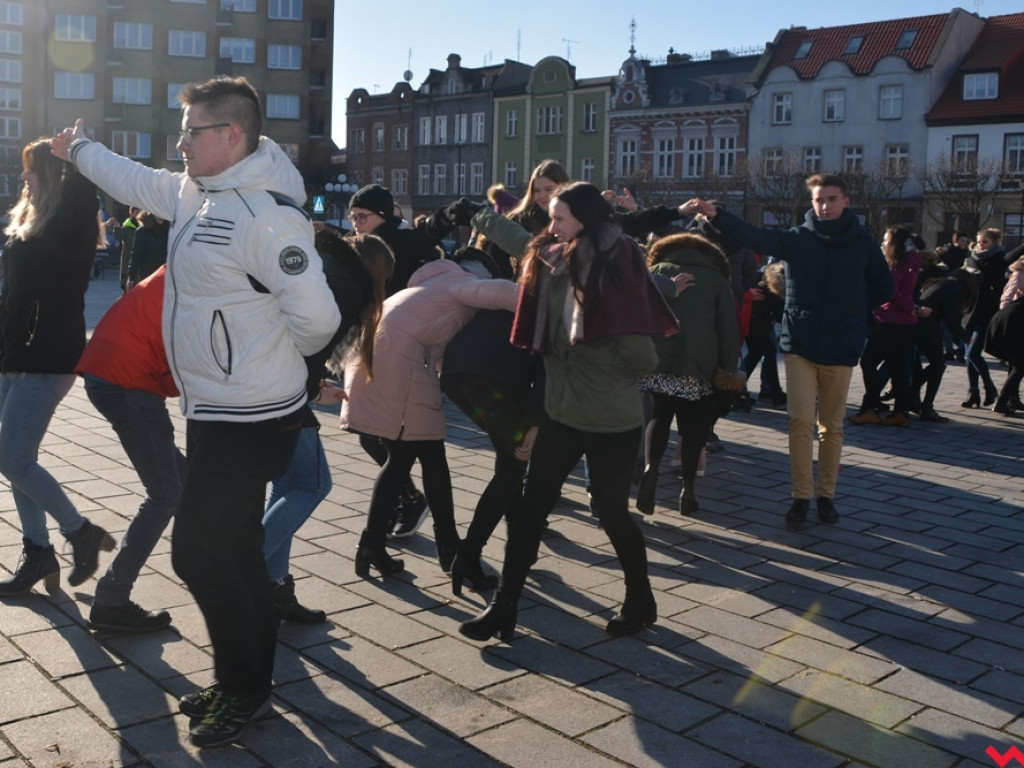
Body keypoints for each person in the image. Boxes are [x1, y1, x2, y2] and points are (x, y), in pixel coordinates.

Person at [52, 76, 340, 749]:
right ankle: (249, 681)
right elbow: (132, 180)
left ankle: (243, 686)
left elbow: (319, 319)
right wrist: (81, 150)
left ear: (231, 135)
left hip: (256, 417)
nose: (178, 143)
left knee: (198, 554)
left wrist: (266, 362)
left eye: (191, 131)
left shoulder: (267, 217)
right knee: (237, 553)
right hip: (214, 413)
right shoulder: (194, 193)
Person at [459, 182, 678, 643]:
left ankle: (640, 599)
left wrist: (593, 359)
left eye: (559, 219)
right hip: (559, 411)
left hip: (610, 419)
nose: (550, 227)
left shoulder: (618, 269)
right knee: (532, 507)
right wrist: (479, 215)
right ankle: (504, 607)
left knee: (611, 512)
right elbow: (521, 241)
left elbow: (644, 358)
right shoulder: (555, 260)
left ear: (585, 219)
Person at [691, 174, 892, 528]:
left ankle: (825, 496)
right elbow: (757, 235)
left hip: (841, 344)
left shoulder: (863, 243)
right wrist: (718, 215)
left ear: (846, 201)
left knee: (830, 426)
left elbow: (883, 287)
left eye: (831, 199)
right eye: (818, 200)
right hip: (801, 342)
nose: (824, 206)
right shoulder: (799, 239)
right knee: (799, 421)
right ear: (811, 202)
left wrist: (854, 315)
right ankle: (800, 496)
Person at [341, 254, 518, 581]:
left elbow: (434, 347)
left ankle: (374, 545)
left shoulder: (421, 289)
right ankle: (449, 552)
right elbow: (503, 293)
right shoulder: (460, 284)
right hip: (401, 366)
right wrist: (550, 307)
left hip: (371, 360)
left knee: (403, 457)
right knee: (426, 458)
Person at [0, 138, 116, 598]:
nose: (24, 176)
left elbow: (83, 194)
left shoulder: (69, 222)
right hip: (14, 354)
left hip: (47, 354)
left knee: (12, 458)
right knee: (15, 461)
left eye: (32, 169)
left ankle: (80, 532)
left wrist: (75, 156)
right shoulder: (30, 220)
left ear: (53, 175)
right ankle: (38, 550)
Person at [262, 230, 394, 623]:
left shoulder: (324, 273)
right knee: (314, 483)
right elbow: (301, 350)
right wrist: (309, 391)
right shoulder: (349, 290)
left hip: (268, 386)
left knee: (288, 485)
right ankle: (246, 569)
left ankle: (275, 586)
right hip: (279, 393)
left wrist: (316, 390)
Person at [76, 266, 182, 632]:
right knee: (166, 493)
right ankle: (112, 599)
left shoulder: (189, 262)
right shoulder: (214, 275)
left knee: (182, 480)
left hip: (110, 371)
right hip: (128, 379)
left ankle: (227, 570)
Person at [439, 247, 545, 594]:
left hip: (458, 375)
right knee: (512, 467)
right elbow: (547, 368)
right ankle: (468, 557)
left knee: (508, 460)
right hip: (494, 382)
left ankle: (520, 550)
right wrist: (534, 422)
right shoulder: (552, 302)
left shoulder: (518, 291)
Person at [636, 232, 740, 516]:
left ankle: (650, 469)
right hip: (698, 365)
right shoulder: (716, 280)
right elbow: (728, 328)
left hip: (658, 360)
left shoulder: (655, 271)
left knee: (658, 417)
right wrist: (729, 369)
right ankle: (688, 490)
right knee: (693, 426)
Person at [848, 227, 922, 428]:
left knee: (869, 362)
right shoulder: (912, 261)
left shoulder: (897, 264)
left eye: (886, 240)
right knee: (898, 366)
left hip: (890, 320)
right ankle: (900, 412)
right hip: (905, 322)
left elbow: (890, 290)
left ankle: (871, 408)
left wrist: (907, 307)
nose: (883, 243)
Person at [960, 228, 1008, 408]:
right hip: (968, 312)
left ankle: (989, 386)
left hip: (987, 313)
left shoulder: (999, 259)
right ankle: (973, 393)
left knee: (973, 352)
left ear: (994, 242)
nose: (980, 245)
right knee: (968, 355)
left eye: (985, 242)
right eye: (979, 241)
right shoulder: (971, 258)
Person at [126, 211, 169, 289]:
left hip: (167, 277)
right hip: (147, 276)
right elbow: (136, 255)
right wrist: (131, 277)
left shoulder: (171, 230)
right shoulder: (142, 232)